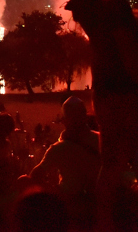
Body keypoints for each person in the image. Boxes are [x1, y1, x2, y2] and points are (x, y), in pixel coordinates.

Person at [65, 0, 138, 230]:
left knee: (112, 163)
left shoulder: (102, 8)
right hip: (124, 96)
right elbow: (128, 57)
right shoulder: (117, 9)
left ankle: (105, 221)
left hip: (106, 94)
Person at [29, 96, 100, 226]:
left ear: (64, 121)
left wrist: (53, 191)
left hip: (69, 206)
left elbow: (34, 176)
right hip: (98, 204)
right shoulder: (101, 140)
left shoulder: (58, 148)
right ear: (85, 116)